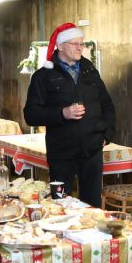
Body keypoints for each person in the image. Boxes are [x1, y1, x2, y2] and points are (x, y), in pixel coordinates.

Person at [23, 22, 116, 207]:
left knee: (93, 206)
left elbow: (107, 105)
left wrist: (106, 135)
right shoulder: (43, 76)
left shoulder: (91, 72)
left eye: (81, 43)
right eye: (75, 43)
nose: (80, 47)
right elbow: (31, 114)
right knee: (60, 204)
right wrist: (62, 113)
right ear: (60, 46)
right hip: (61, 155)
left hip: (92, 153)